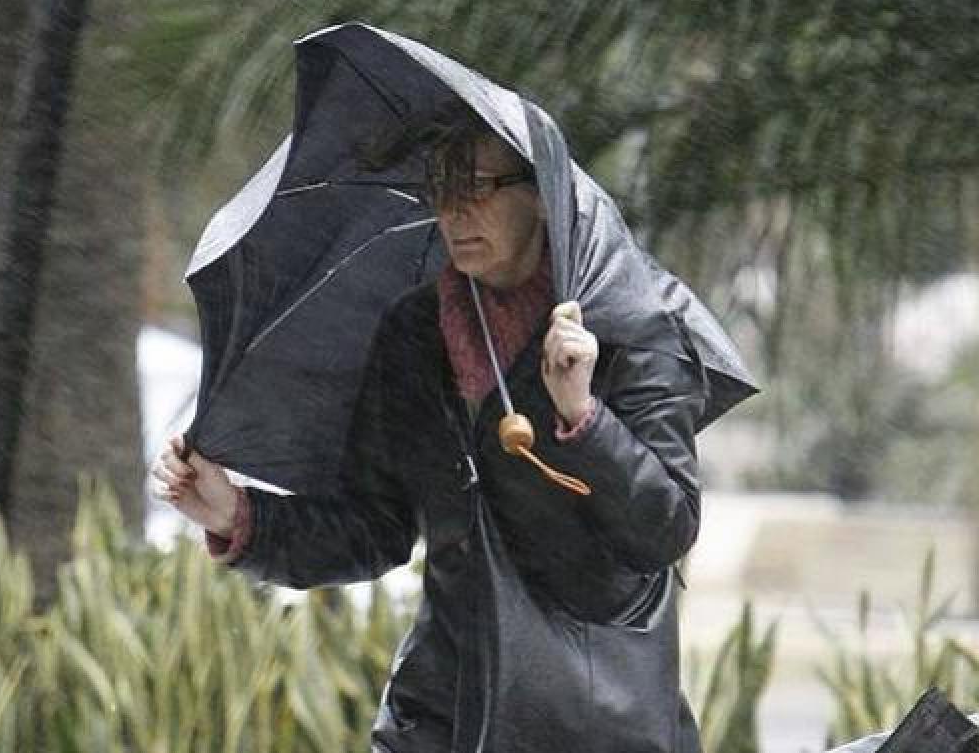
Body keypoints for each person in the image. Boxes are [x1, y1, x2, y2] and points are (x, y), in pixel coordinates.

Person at [154, 103, 710, 752]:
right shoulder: (415, 334)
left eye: (476, 187)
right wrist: (240, 516)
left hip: (585, 719)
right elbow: (374, 526)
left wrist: (583, 418)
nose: (454, 212)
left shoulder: (629, 326)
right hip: (441, 711)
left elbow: (664, 529)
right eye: (440, 188)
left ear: (541, 193)